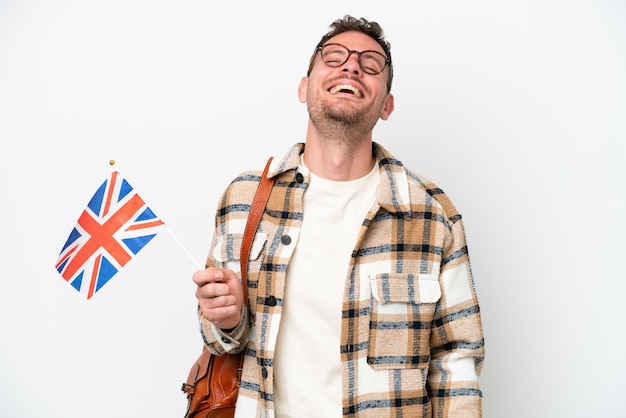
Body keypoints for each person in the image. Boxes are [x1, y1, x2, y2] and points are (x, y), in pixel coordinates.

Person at [193, 15, 485, 417]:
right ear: (304, 87)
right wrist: (227, 319)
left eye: (370, 65)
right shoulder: (245, 199)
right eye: (334, 58)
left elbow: (458, 360)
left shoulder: (432, 214)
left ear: (387, 104)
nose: (350, 67)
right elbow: (220, 341)